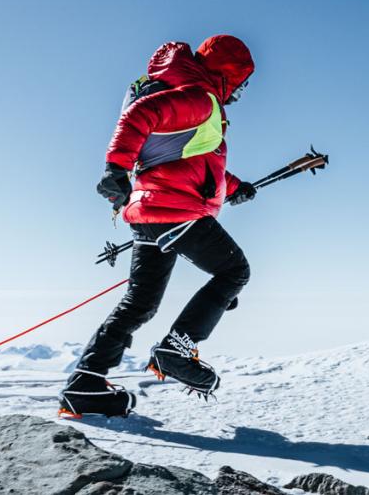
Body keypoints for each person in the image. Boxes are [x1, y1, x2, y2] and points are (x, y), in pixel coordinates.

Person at [59, 35, 257, 418]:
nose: (240, 93)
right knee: (234, 270)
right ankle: (176, 350)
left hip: (149, 212)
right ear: (229, 75)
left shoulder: (193, 97)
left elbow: (190, 161)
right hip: (175, 210)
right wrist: (114, 168)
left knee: (140, 303)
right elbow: (142, 115)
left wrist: (234, 187)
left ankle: (84, 384)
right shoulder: (201, 99)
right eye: (241, 83)